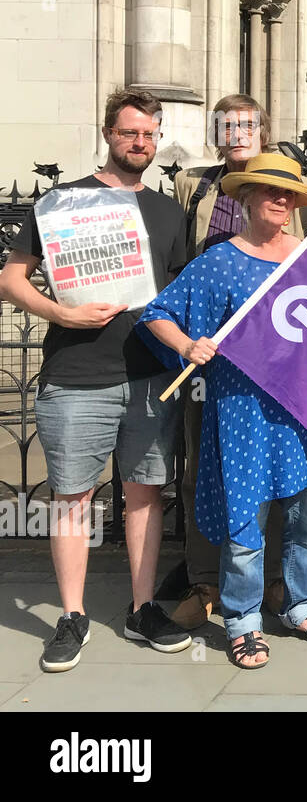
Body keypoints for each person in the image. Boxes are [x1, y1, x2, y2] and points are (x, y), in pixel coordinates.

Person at [0, 88, 192, 672]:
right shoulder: (61, 203)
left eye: (151, 135)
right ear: (109, 134)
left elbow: (183, 292)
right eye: (131, 133)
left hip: (149, 376)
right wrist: (61, 313)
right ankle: (72, 615)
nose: (141, 143)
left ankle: (140, 608)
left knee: (144, 495)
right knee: (73, 498)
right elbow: (12, 279)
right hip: (78, 371)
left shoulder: (167, 212)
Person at [142, 153, 307, 669]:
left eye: (289, 194)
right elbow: (157, 314)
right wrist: (190, 347)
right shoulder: (218, 261)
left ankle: (299, 606)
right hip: (243, 414)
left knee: (306, 519)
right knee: (245, 523)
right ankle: (243, 621)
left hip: (304, 411)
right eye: (269, 191)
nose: (281, 200)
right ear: (247, 197)